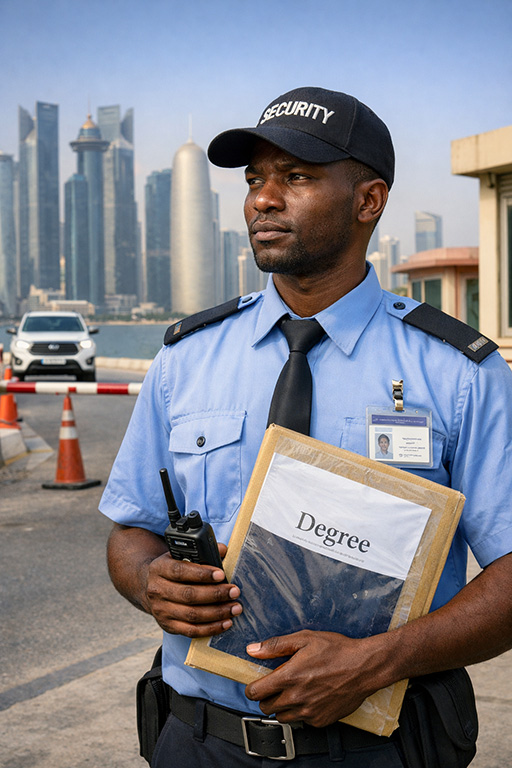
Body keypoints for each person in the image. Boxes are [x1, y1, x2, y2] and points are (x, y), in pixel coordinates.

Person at [100, 87, 512, 767]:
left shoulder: (459, 373)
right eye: (255, 178)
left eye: (296, 177)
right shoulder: (185, 358)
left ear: (369, 201)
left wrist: (379, 661)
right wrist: (151, 581)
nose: (263, 198)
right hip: (199, 741)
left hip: (380, 745)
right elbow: (131, 527)